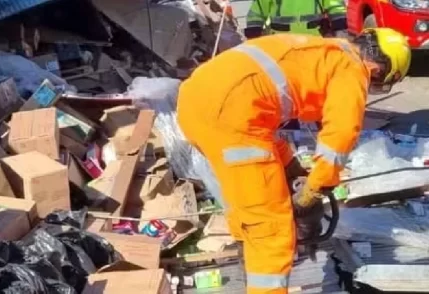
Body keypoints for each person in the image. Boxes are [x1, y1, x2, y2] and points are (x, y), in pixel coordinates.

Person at [176, 28, 410, 294]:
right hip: (232, 117)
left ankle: (247, 255)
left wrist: (291, 166)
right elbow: (341, 134)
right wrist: (316, 186)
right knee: (271, 229)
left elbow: (260, 109)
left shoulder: (322, 51)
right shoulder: (353, 69)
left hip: (195, 104)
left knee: (247, 199)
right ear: (379, 69)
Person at [244, 0, 347, 38]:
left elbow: (335, 6)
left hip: (313, 40)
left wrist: (340, 27)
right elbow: (258, 10)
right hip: (281, 43)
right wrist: (254, 30)